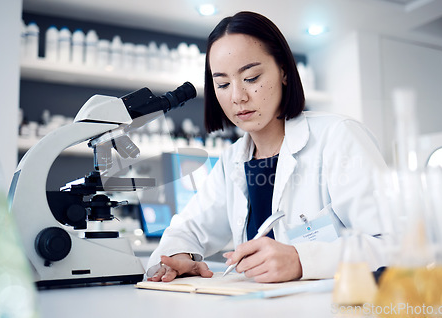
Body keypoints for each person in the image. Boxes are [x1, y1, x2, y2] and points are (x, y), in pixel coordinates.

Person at [146, 11, 387, 283]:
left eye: (251, 78)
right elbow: (186, 228)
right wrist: (178, 256)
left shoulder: (338, 136)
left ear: (283, 71)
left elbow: (394, 244)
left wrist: (301, 260)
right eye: (223, 84)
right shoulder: (232, 160)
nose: (237, 96)